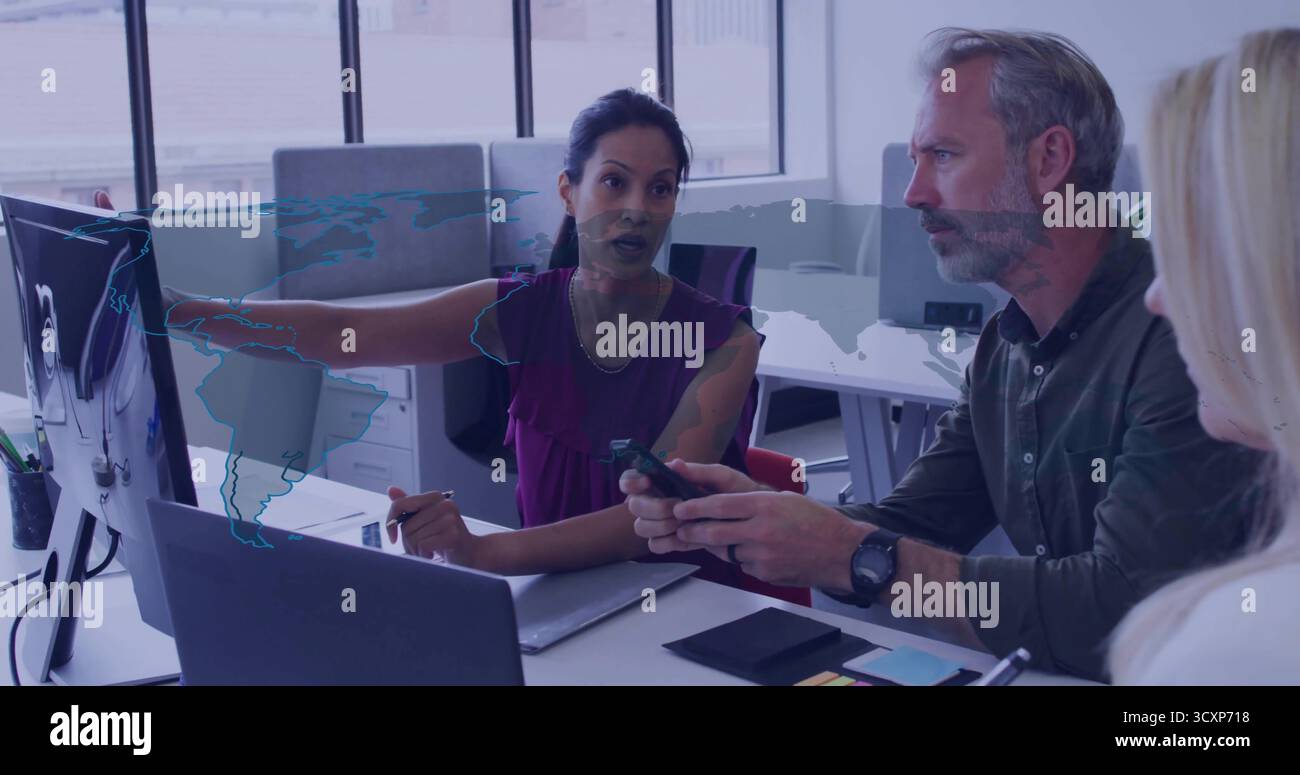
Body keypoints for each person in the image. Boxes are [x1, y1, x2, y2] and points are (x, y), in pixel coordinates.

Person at [621, 28, 1264, 681]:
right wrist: (752, 513)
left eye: (944, 156)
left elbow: (1120, 609)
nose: (912, 194)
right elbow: (912, 521)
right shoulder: (1005, 347)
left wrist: (857, 556)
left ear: (1049, 160)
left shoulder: (1178, 334)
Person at [109, 88, 769, 589]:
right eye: (614, 181)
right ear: (569, 193)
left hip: (697, 615)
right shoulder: (525, 312)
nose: (637, 209)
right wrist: (179, 310)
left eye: (660, 189)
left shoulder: (724, 339)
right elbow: (349, 334)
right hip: (565, 605)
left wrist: (483, 553)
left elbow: (644, 521)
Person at [1107, 29, 1300, 684]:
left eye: (1182, 254)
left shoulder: (1234, 650)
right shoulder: (1003, 345)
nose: (1159, 297)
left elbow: (1107, 591)